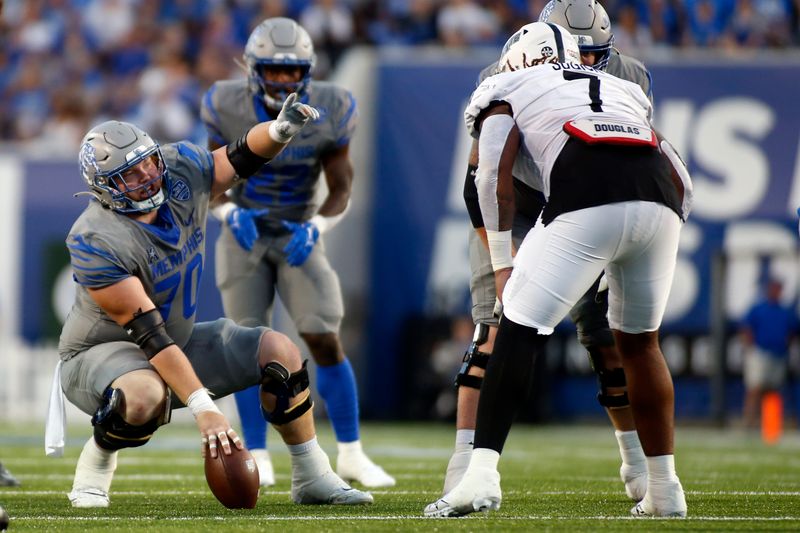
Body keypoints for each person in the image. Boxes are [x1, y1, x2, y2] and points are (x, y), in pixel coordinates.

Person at [425, 21, 691, 518]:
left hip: (586, 193)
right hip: (662, 198)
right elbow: (674, 166)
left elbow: (490, 177)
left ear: (519, 58)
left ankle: (479, 477)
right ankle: (665, 488)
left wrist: (503, 265)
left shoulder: (508, 82)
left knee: (518, 329)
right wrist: (656, 228)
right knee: (640, 342)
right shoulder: (620, 85)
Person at [58, 95, 374, 509]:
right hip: (101, 355)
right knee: (143, 395)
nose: (149, 176)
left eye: (149, 162)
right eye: (131, 175)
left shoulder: (179, 171)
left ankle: (312, 474)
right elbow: (150, 337)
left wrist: (280, 131)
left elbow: (239, 157)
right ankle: (95, 466)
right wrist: (205, 407)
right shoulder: (96, 239)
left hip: (177, 339)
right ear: (106, 189)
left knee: (280, 352)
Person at [200, 17, 394, 488]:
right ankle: (258, 451)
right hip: (243, 229)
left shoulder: (333, 103)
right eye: (274, 70)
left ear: (308, 71)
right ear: (252, 68)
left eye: (293, 72)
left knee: (323, 334)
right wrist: (228, 215)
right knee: (246, 342)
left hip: (297, 230)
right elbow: (209, 178)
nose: (284, 80)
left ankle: (350, 451)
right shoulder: (223, 102)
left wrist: (319, 224)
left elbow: (342, 184)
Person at [740, 279, 798, 428]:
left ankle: (770, 426)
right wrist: (750, 347)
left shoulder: (785, 311)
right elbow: (746, 328)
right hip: (760, 352)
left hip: (778, 354)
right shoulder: (759, 309)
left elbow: (792, 332)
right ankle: (749, 423)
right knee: (755, 388)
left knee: (773, 390)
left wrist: (786, 345)